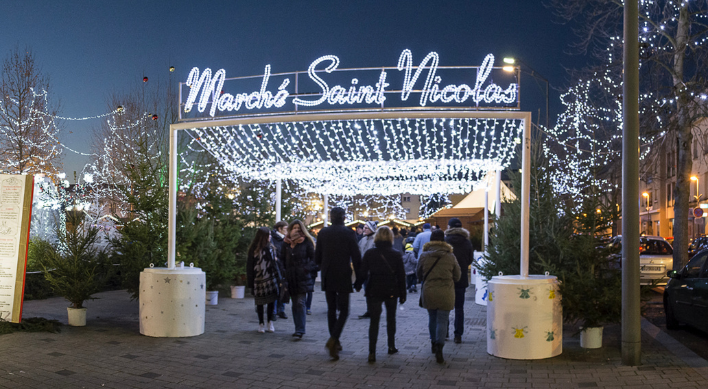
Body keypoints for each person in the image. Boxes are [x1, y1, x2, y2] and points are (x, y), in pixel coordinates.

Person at [315, 207, 362, 361]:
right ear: (343, 217)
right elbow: (356, 256)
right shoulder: (349, 233)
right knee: (344, 310)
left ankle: (335, 341)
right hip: (343, 274)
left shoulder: (323, 233)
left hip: (328, 273)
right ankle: (334, 339)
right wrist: (359, 279)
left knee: (331, 309)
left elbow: (318, 257)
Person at [357, 226, 406, 363]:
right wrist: (403, 294)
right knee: (391, 319)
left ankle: (372, 352)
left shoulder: (370, 253)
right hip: (391, 289)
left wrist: (357, 285)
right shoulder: (396, 254)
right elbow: (401, 276)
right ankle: (391, 346)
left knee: (374, 321)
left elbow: (363, 272)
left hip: (374, 289)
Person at [417, 230, 460, 364]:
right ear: (444, 241)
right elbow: (457, 276)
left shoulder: (424, 255)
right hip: (446, 291)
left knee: (432, 317)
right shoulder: (450, 256)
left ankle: (433, 342)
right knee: (443, 319)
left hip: (429, 290)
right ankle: (440, 348)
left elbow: (419, 274)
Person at [280, 219, 316, 339]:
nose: (296, 230)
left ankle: (300, 330)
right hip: (290, 277)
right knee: (295, 303)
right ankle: (298, 327)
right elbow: (281, 259)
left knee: (300, 303)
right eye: (294, 228)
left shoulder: (306, 242)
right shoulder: (285, 243)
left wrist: (305, 269)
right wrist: (283, 271)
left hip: (302, 277)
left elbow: (314, 260)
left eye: (298, 228)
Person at [444, 218, 474, 344]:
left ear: (449, 227)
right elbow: (470, 259)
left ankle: (444, 332)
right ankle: (458, 335)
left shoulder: (445, 241)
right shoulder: (466, 242)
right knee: (459, 308)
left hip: (446, 278)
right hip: (461, 278)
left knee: (444, 307)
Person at [246, 227, 280, 333]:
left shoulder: (271, 247)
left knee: (271, 302)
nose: (270, 237)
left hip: (271, 278)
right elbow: (249, 266)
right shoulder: (254, 249)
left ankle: (270, 322)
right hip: (258, 279)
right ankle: (261, 323)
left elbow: (275, 264)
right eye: (268, 235)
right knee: (259, 303)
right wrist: (250, 282)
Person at [357, 221, 377, 318]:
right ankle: (369, 309)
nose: (364, 229)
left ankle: (374, 309)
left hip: (372, 270)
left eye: (366, 228)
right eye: (364, 228)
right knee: (366, 290)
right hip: (364, 270)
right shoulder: (363, 240)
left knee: (372, 291)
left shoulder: (376, 240)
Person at [271, 221, 289, 320]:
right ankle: (274, 311)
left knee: (284, 289)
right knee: (276, 290)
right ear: (280, 229)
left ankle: (281, 310)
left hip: (284, 267)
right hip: (276, 267)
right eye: (285, 229)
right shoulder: (273, 239)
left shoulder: (286, 240)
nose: (287, 231)